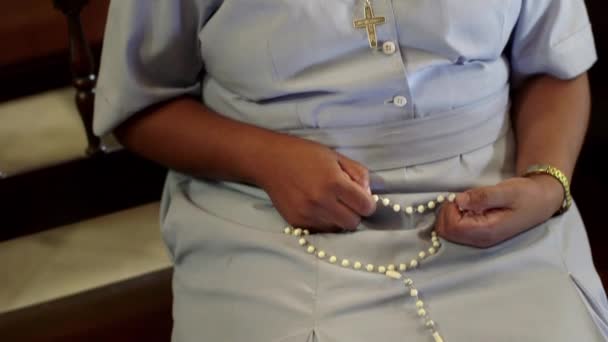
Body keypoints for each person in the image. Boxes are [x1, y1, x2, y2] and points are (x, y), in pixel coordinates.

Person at [94, 0, 608, 340]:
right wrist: (264, 158)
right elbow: (138, 104)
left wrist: (546, 183)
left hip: (501, 212)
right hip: (272, 217)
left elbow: (553, 64)